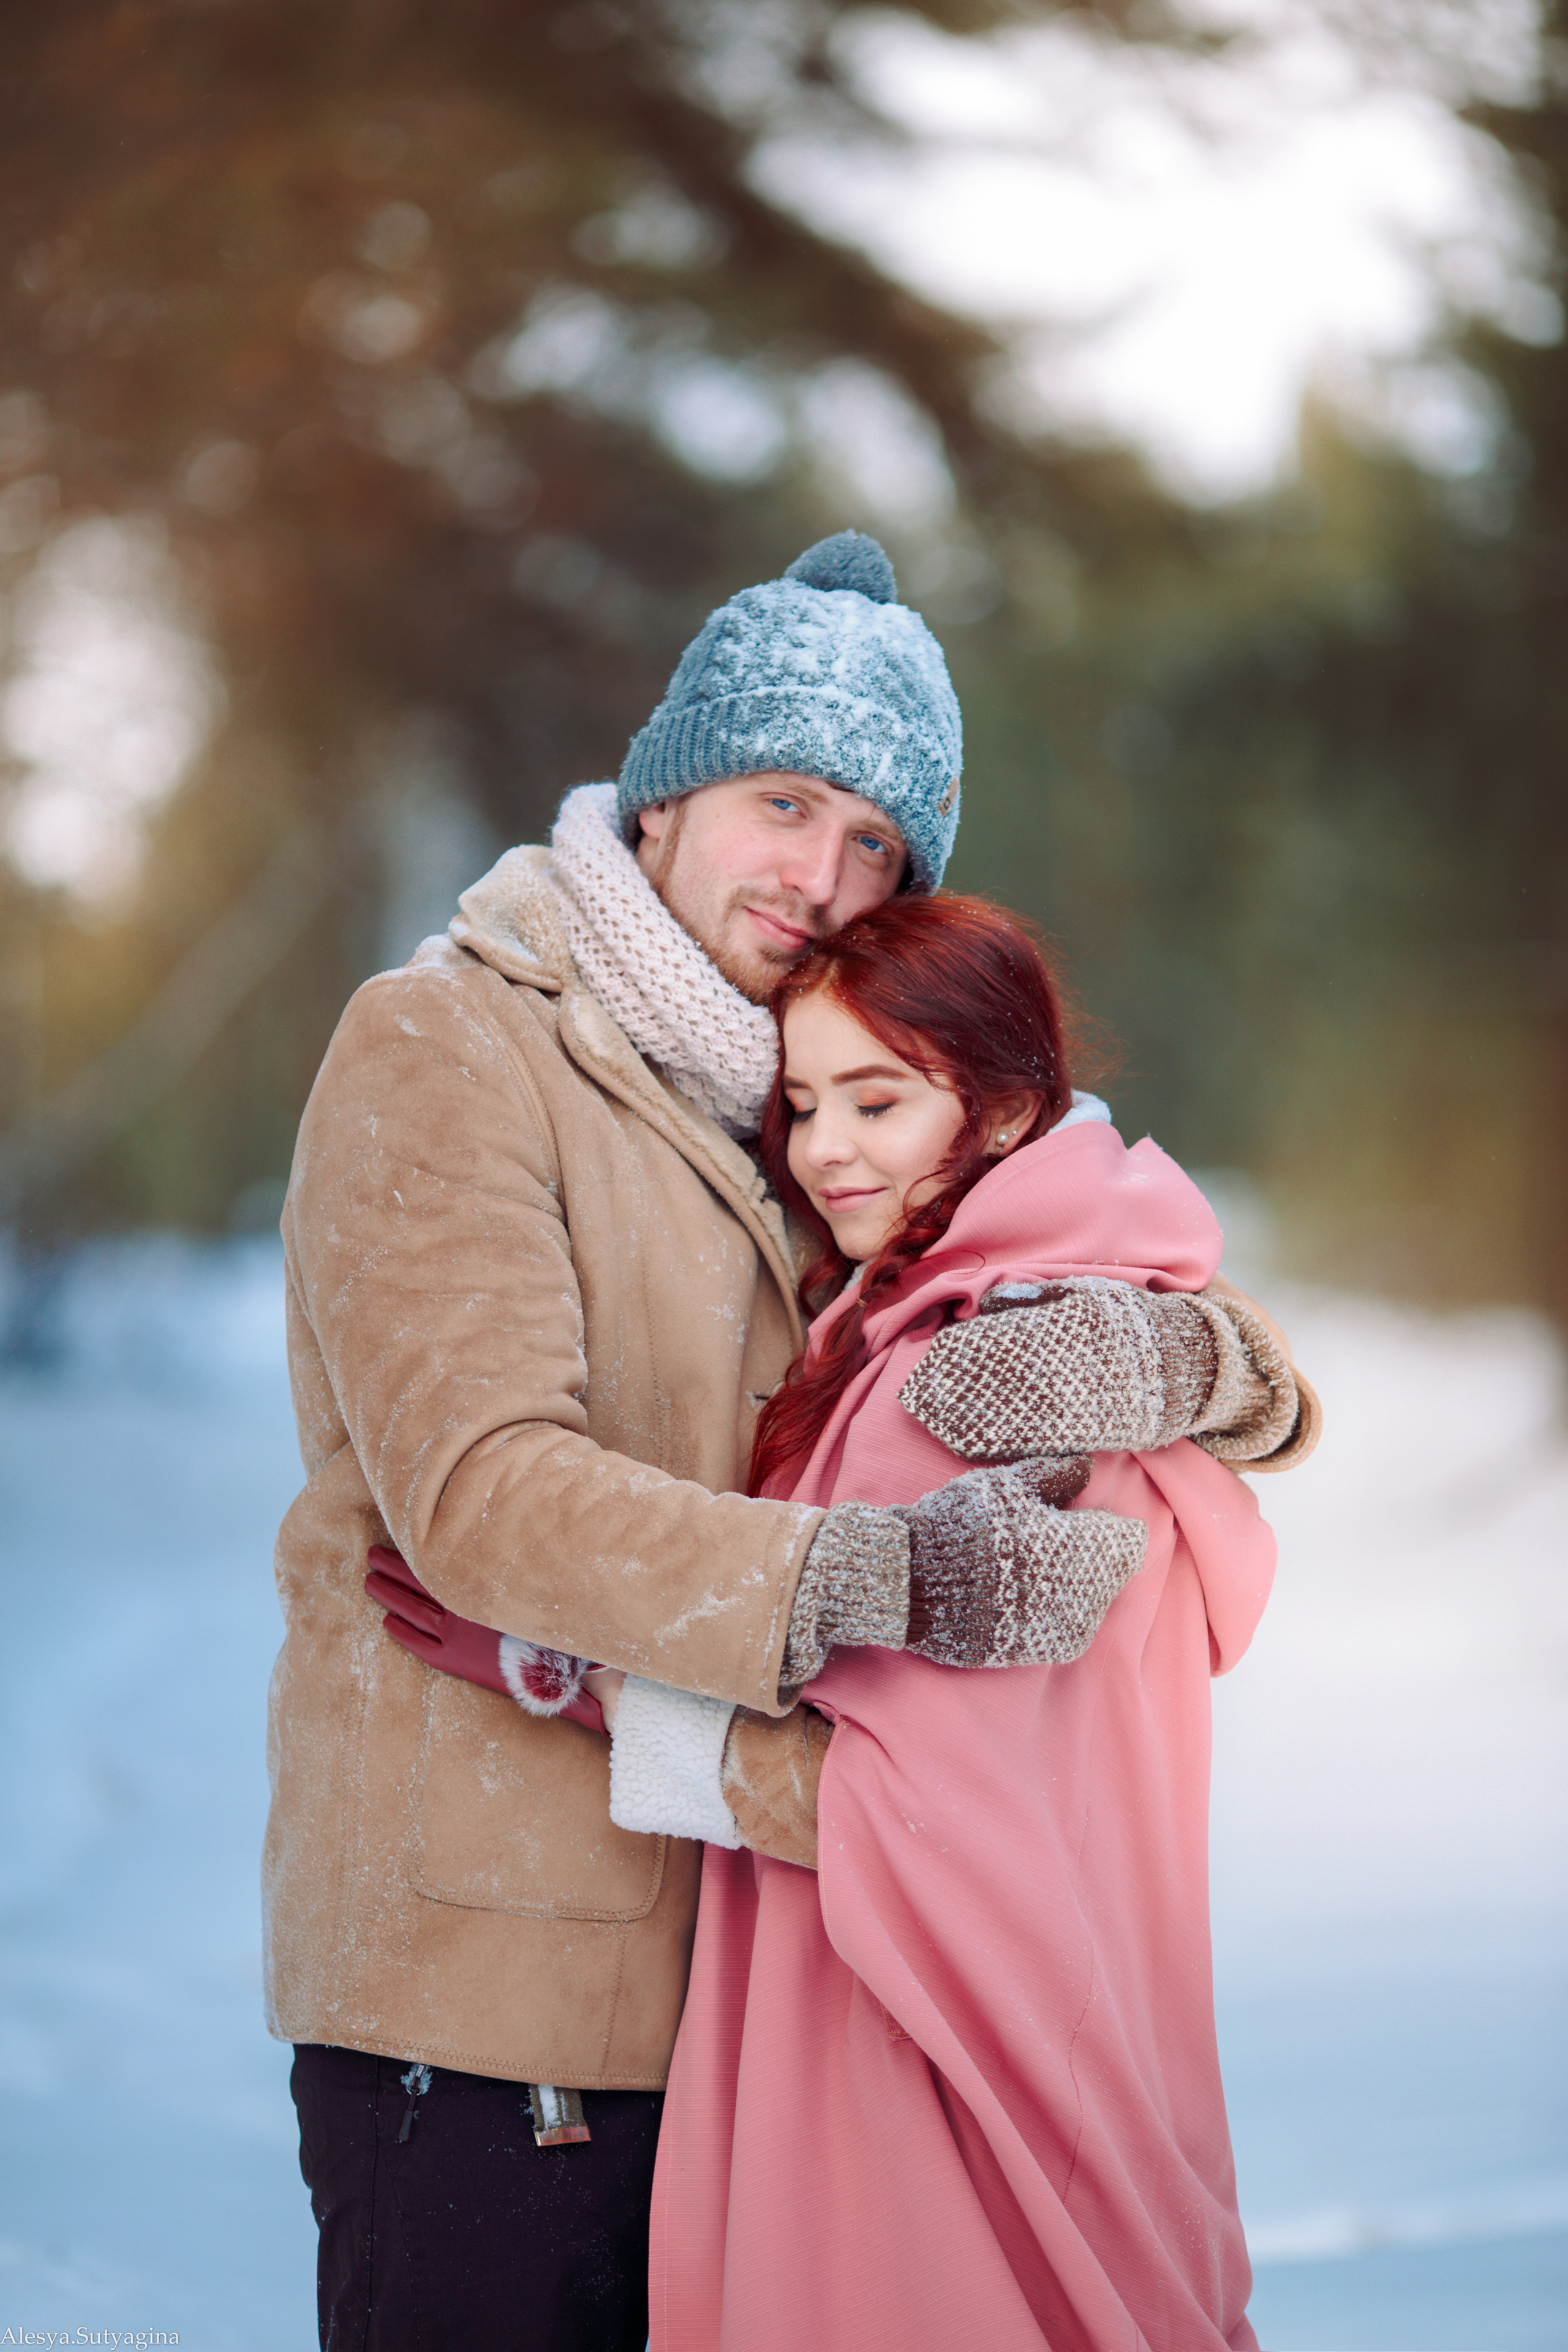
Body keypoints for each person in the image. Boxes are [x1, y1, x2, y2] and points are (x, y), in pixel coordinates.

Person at [269, 529, 1314, 2348]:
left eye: (878, 848)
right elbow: (480, 1491)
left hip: (759, 2015)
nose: (823, 876)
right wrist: (889, 1577)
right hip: (495, 2003)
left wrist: (1211, 1365)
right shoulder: (450, 1045)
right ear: (666, 797)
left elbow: (1049, 1224)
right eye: (783, 802)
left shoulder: (804, 1118)